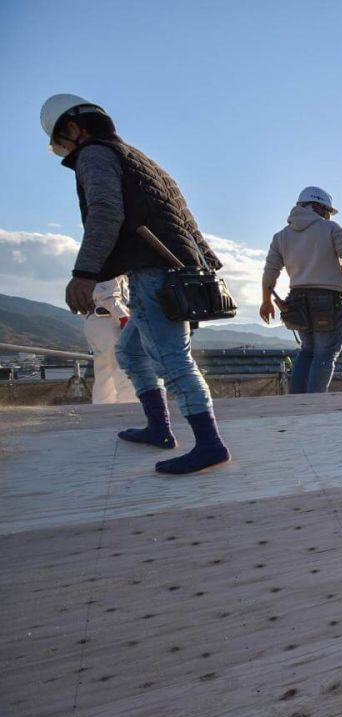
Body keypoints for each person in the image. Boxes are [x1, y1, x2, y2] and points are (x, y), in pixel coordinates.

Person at [41, 94, 230, 475]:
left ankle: (210, 445)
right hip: (175, 270)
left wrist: (85, 273)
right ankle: (160, 428)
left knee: (173, 360)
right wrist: (209, 263)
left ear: (76, 129)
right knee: (130, 352)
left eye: (61, 143)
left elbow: (106, 212)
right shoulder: (142, 160)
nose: (64, 151)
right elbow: (185, 218)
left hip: (153, 271)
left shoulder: (95, 154)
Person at [260, 187, 342, 394]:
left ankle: (297, 400)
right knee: (325, 352)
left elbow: (270, 272)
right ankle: (316, 402)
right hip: (327, 299)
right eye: (328, 211)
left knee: (307, 350)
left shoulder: (280, 237)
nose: (329, 215)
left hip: (296, 300)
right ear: (319, 207)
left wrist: (266, 301)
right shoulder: (330, 228)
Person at [84, 276, 138, 404]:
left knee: (104, 373)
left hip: (96, 321)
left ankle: (101, 409)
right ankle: (129, 409)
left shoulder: (96, 269)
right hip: (109, 321)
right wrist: (124, 318)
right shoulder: (111, 268)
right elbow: (109, 297)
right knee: (124, 370)